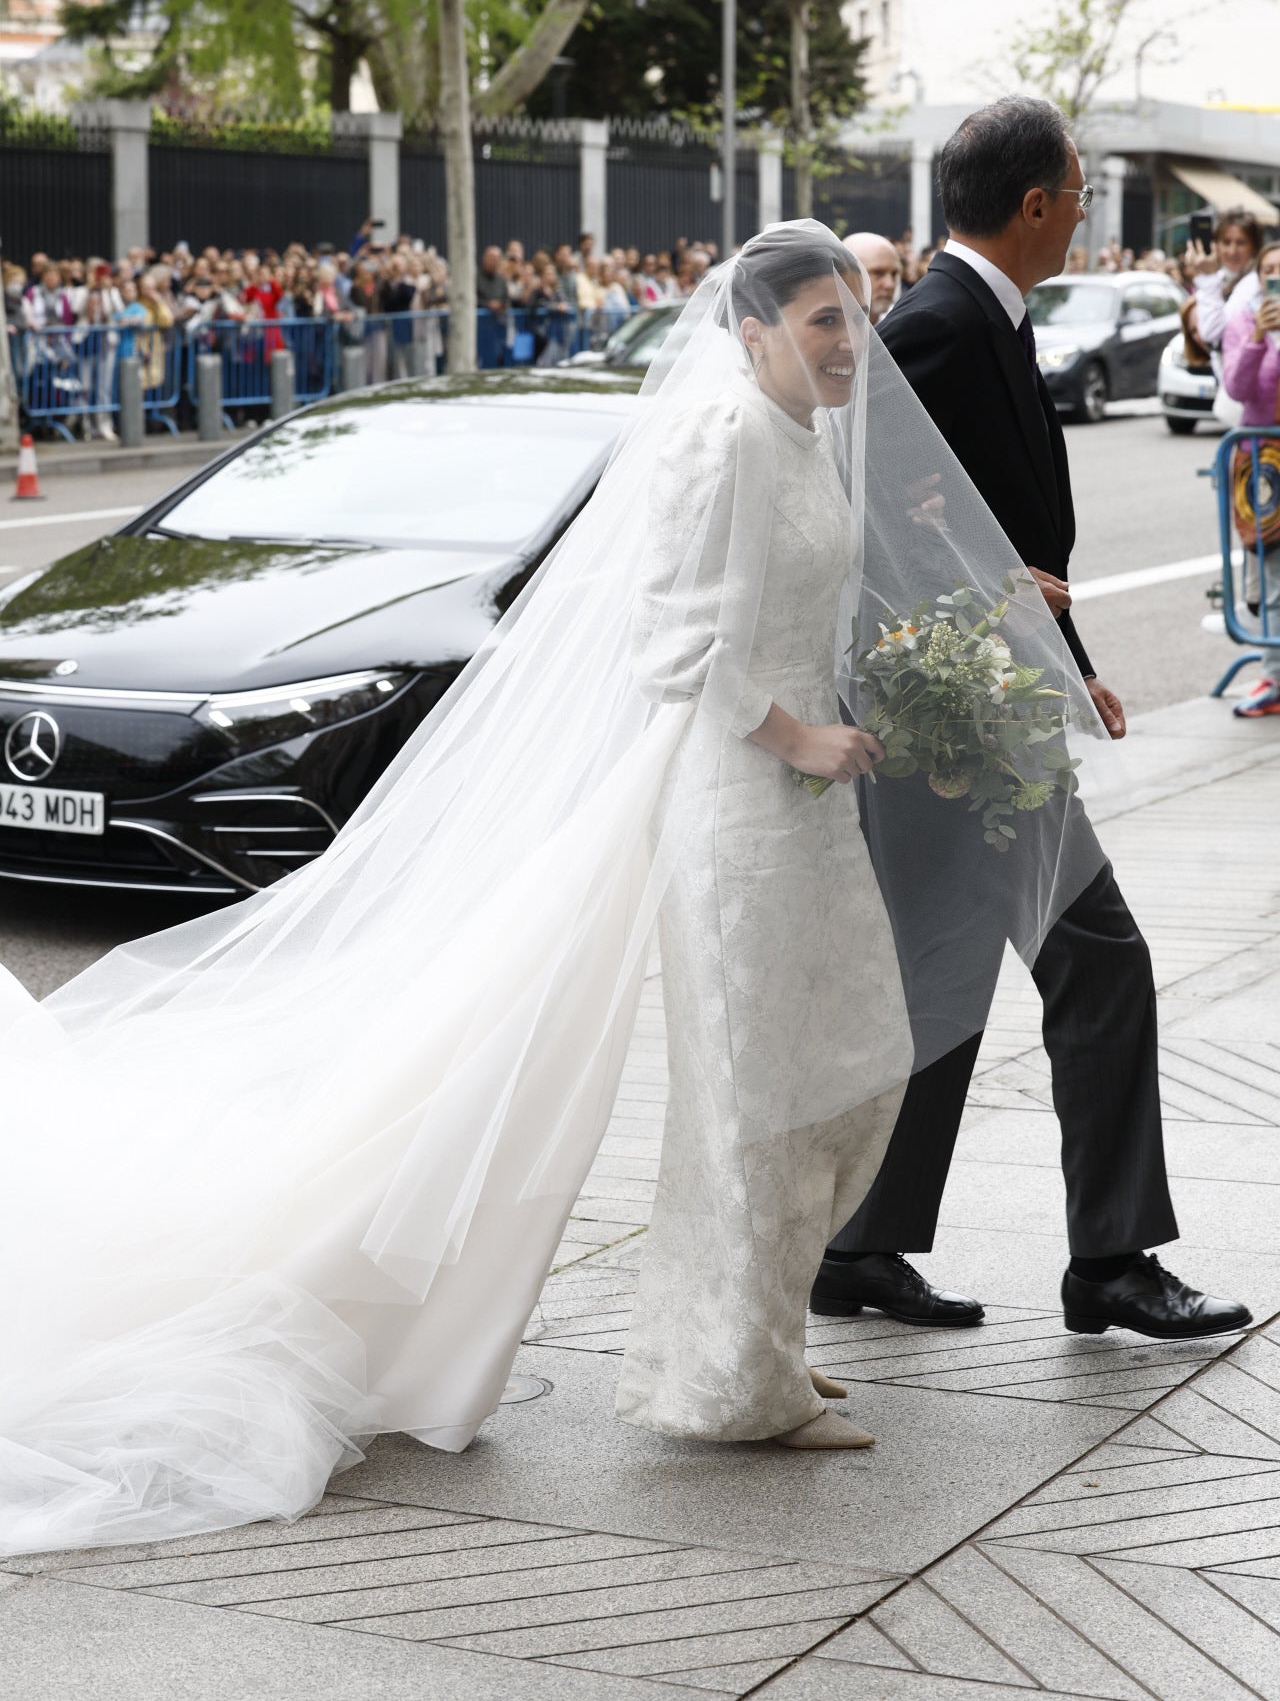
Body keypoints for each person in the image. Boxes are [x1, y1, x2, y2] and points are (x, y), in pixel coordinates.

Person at [0, 220, 1127, 1554]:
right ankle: (736, 1378)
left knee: (848, 1064)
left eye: (853, 317)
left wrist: (986, 609)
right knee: (758, 1090)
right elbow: (672, 641)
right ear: (752, 333)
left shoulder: (806, 436)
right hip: (740, 804)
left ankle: (750, 1335)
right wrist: (798, 737)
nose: (849, 343)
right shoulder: (720, 442)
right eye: (822, 321)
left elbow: (832, 598)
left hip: (807, 805)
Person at [814, 97, 1251, 1344]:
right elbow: (863, 527)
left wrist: (1069, 661)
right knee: (1099, 965)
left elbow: (991, 532)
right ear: (1034, 204)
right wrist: (997, 625)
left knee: (942, 980)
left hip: (975, 711)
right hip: (950, 728)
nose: (1079, 213)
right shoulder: (938, 324)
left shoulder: (978, 316)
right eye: (1076, 192)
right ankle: (1107, 1260)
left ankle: (857, 1245)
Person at [1222, 239, 1280, 718]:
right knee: (1272, 571)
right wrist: (1260, 337)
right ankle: (1275, 677)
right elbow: (1238, 388)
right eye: (1270, 271)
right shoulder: (1244, 321)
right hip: (1261, 462)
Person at [1188, 209, 1264, 368]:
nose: (1232, 251)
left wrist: (1208, 279)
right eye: (1226, 242)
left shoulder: (1256, 283)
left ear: (1254, 247)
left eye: (1241, 243)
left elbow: (1212, 332)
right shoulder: (1219, 277)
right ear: (1216, 245)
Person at [842, 231, 901, 324]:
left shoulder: (901, 325)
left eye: (894, 274)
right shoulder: (822, 329)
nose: (890, 285)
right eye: (878, 273)